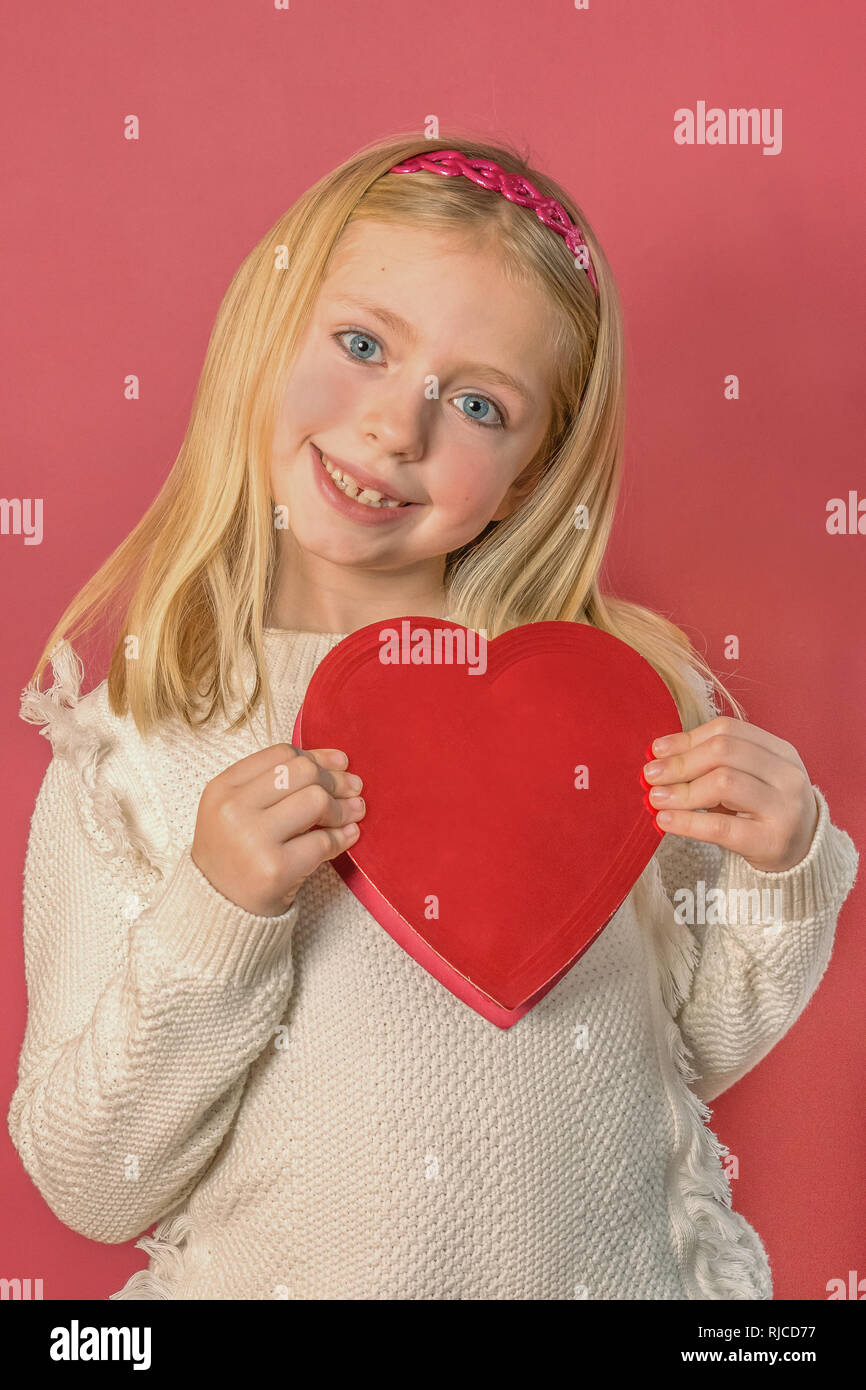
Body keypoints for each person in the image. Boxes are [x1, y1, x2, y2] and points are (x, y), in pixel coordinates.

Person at [8, 134, 858, 1300]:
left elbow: (678, 1055)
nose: (395, 431)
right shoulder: (138, 743)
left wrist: (779, 868)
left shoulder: (613, 707)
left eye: (475, 404)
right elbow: (95, 1179)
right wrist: (218, 915)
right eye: (361, 345)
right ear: (271, 333)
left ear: (532, 471)